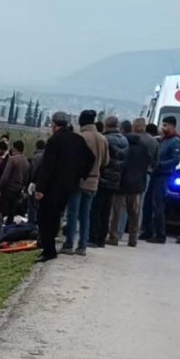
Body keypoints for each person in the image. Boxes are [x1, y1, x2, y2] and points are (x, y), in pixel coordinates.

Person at [34, 112, 96, 262]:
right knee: (58, 216)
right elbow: (91, 158)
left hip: (53, 186)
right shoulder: (77, 139)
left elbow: (47, 167)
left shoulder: (54, 140)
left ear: (54, 125)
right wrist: (81, 175)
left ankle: (49, 250)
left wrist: (40, 188)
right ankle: (50, 249)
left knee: (46, 218)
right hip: (70, 185)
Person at [60, 110, 109, 256]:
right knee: (85, 215)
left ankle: (69, 244)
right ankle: (82, 246)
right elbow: (106, 161)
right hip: (94, 181)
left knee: (73, 214)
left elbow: (72, 160)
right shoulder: (102, 139)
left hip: (79, 181)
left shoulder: (80, 137)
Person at [141, 116, 180, 244]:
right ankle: (147, 230)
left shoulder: (175, 141)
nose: (163, 128)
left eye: (165, 125)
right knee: (148, 203)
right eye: (162, 125)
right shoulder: (163, 140)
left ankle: (160, 234)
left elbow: (175, 160)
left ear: (172, 126)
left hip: (163, 175)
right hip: (154, 174)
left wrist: (160, 165)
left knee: (158, 204)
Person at [89, 116, 127, 248]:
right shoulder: (124, 140)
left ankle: (93, 237)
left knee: (96, 209)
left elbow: (103, 160)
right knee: (106, 210)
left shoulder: (105, 139)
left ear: (106, 125)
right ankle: (101, 239)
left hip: (103, 177)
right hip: (115, 179)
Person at [109, 131, 152, 247]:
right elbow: (150, 162)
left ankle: (114, 237)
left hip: (123, 185)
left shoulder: (126, 148)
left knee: (117, 213)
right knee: (134, 214)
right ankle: (133, 239)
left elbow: (122, 164)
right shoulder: (144, 149)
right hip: (137, 186)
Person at [0, 140, 30, 224]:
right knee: (12, 211)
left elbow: (5, 176)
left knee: (3, 210)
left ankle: (1, 225)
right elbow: (26, 178)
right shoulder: (26, 162)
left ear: (15, 148)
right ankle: (9, 225)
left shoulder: (12, 159)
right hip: (18, 190)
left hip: (8, 189)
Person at [26, 140, 46, 224]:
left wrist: (29, 183)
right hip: (43, 185)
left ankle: (31, 224)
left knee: (32, 206)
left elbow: (32, 171)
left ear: (36, 146)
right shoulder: (47, 156)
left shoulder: (35, 157)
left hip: (35, 184)